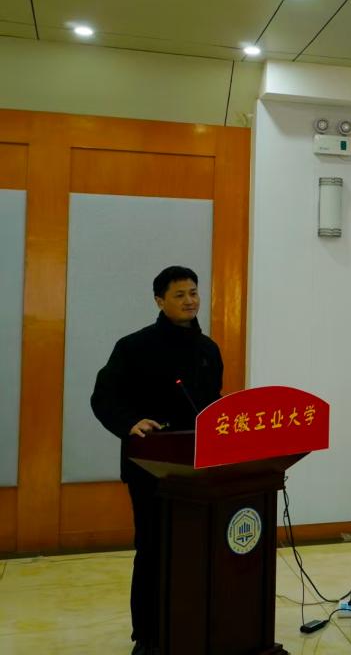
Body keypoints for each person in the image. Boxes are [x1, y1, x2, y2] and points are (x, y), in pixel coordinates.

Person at [91, 266, 223, 655]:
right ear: (159, 301)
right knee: (153, 550)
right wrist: (129, 422)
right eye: (179, 294)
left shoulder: (208, 349)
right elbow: (104, 398)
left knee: (199, 550)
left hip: (200, 468)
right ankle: (147, 637)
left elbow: (210, 402)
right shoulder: (133, 347)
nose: (189, 301)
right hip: (151, 469)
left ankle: (196, 624)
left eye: (194, 292)